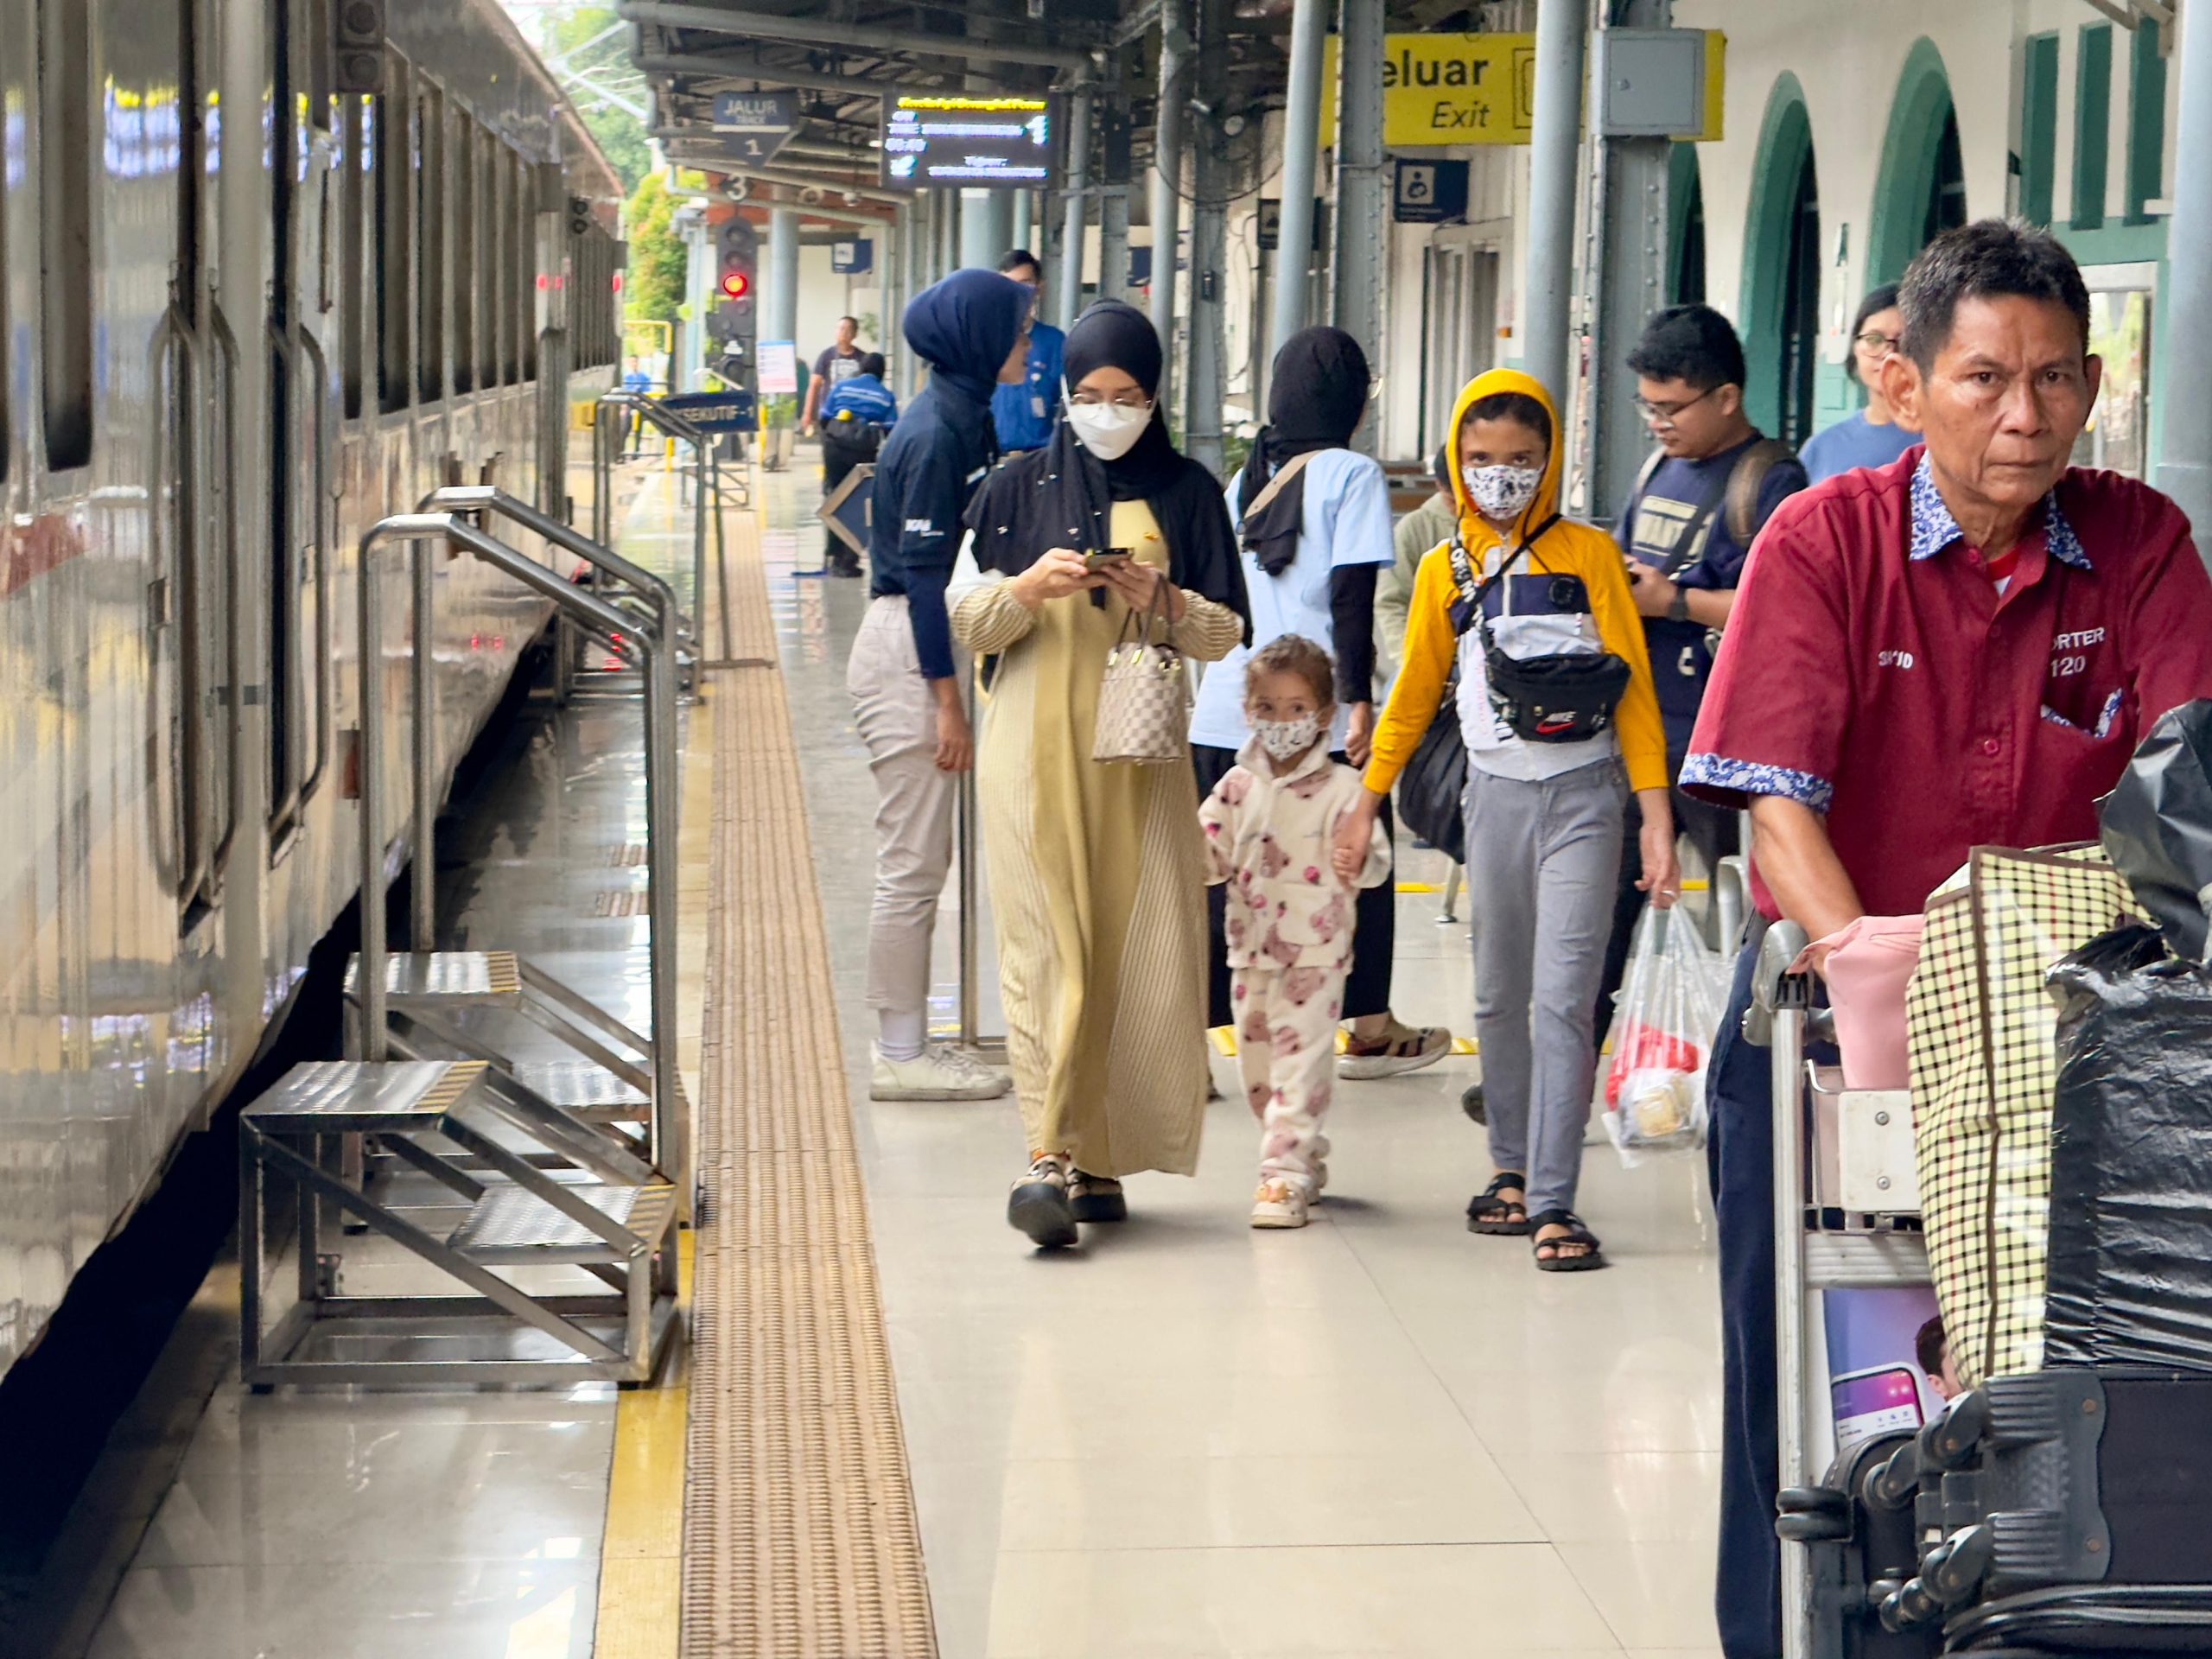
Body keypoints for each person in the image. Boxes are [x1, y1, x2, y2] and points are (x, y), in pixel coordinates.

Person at [1681, 219, 2212, 1659]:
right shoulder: (1824, 539)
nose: (2023, 416)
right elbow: (1776, 813)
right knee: (1814, 1408)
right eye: (1984, 379)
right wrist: (1887, 1010)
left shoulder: (2139, 546)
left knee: (2068, 1410)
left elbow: (2188, 784)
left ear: (2095, 386)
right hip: (1830, 1040)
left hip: (2073, 1071)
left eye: (2051, 380)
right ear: (1906, 386)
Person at [1338, 368, 1680, 1271]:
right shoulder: (1442, 567)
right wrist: (1363, 800)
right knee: (1496, 996)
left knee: (1564, 1001)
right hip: (1489, 798)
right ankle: (1509, 1173)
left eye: (1521, 460)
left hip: (1585, 800)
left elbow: (1636, 695)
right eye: (1481, 459)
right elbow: (1411, 694)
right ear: (1456, 461)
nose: (1500, 476)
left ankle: (1557, 1203)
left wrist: (1654, 818)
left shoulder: (1591, 557)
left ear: (1550, 461)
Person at [947, 300, 1249, 1250]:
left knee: (1129, 949)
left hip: (1137, 755)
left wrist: (1160, 597)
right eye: (1087, 395)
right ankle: (1045, 1155)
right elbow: (969, 621)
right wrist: (1026, 589)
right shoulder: (1011, 486)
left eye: (1125, 396)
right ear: (1062, 396)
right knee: (1043, 949)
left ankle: (1102, 1154)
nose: (1106, 411)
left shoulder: (1189, 491)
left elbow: (1224, 632)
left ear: (1154, 398)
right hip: (1029, 754)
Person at [1194, 326, 1451, 1081]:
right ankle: (1369, 1026)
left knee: (1232, 868)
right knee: (1361, 858)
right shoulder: (1352, 473)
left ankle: (1200, 1041)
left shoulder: (1248, 475)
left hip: (1227, 705)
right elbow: (1351, 597)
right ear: (1351, 403)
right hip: (1315, 713)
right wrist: (1361, 703)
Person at [1592, 304, 1808, 1050]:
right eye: (1648, 407)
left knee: (1752, 914)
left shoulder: (1768, 478)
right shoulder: (1657, 466)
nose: (1658, 423)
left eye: (1672, 407)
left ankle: (1741, 1064)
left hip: (1725, 738)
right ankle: (1576, 1069)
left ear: (1726, 397)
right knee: (1602, 917)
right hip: (1645, 727)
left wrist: (1674, 601)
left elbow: (1783, 602)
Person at [847, 271, 1031, 1103]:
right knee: (913, 863)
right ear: (978, 341)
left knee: (928, 857)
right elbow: (922, 580)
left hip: (930, 643)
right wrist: (947, 704)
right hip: (908, 650)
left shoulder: (966, 413)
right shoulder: (934, 432)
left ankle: (917, 1039)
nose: (1027, 346)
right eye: (1018, 332)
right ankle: (900, 1052)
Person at [1200, 635, 1393, 1230]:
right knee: (1257, 1073)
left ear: (1323, 717)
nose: (1281, 723)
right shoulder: (1236, 785)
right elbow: (1205, 851)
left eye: (1296, 709)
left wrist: (1354, 863)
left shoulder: (1344, 791)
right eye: (1267, 709)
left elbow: (1375, 859)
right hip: (1249, 950)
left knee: (1301, 1064)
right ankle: (1301, 1154)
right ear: (1247, 712)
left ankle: (1281, 1176)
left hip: (1316, 954)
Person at [1798, 286, 1919, 484]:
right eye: (1874, 339)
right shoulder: (1821, 448)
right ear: (1855, 348)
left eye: (1904, 341)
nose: (1888, 353)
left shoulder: (1943, 439)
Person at [1375, 445, 1459, 692]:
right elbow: (1391, 601)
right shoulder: (1415, 528)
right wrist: (1410, 661)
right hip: (1428, 658)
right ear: (1439, 486)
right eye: (1453, 500)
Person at [818, 352, 899, 577]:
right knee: (857, 502)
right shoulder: (885, 396)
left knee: (833, 498)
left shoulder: (842, 387)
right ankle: (848, 561)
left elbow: (824, 416)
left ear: (861, 368)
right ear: (881, 373)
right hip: (863, 452)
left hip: (834, 448)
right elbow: (892, 428)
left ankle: (832, 555)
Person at [990, 249, 1066, 454]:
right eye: (1008, 285)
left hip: (1039, 460)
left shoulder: (1056, 342)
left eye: (1025, 284)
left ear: (1039, 288)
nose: (1016, 292)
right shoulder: (984, 340)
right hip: (991, 458)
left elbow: (1069, 405)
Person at [802, 315, 865, 435]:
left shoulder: (862, 358)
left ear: (855, 333)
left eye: (848, 329)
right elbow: (814, 386)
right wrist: (808, 414)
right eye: (840, 328)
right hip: (830, 411)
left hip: (854, 413)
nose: (843, 332)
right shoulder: (826, 356)